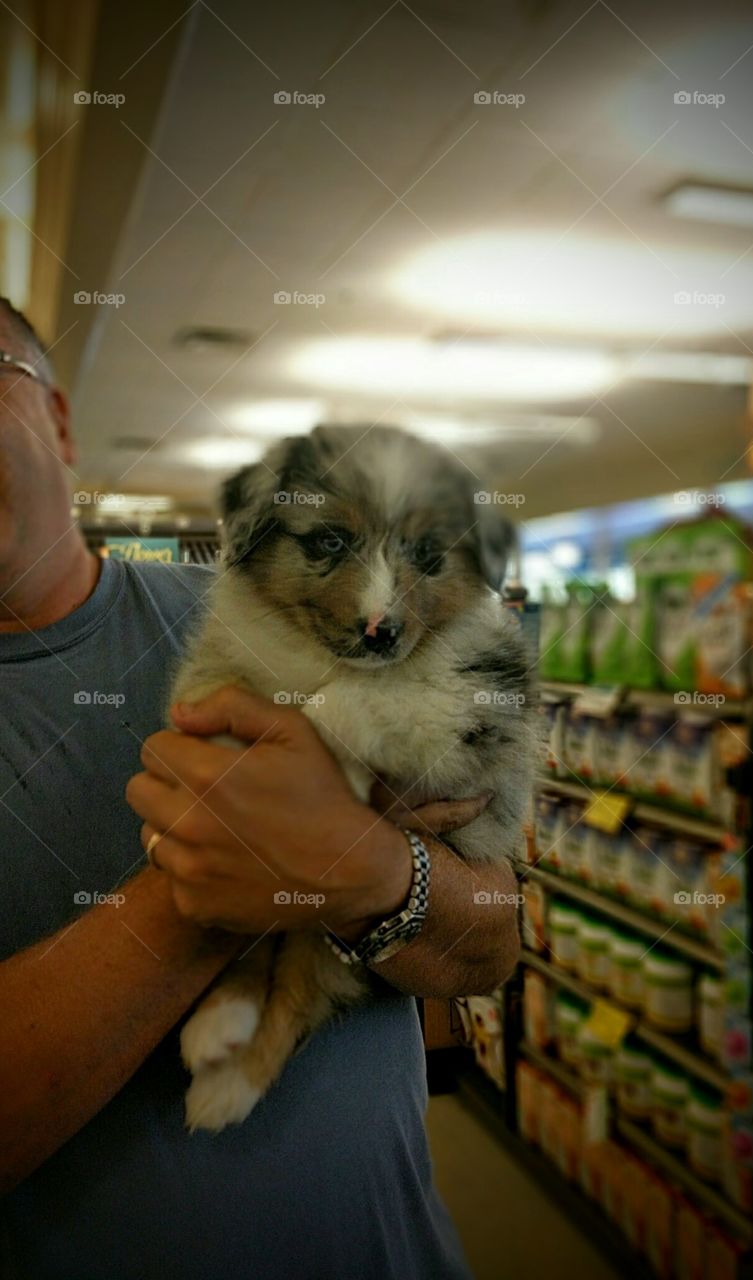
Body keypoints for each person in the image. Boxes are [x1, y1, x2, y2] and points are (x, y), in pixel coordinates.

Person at [0, 299, 521, 1280]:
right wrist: (230, 882)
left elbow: (491, 936)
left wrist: (379, 867)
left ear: (58, 420)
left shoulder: (279, 599)